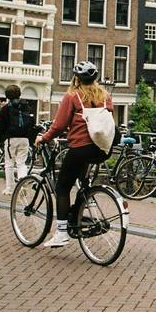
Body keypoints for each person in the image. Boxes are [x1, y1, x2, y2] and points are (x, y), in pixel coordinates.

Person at [35, 61, 113, 247]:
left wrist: (43, 138)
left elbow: (59, 125)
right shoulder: (105, 96)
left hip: (80, 148)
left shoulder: (72, 96)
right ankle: (77, 214)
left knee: (62, 187)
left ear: (76, 78)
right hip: (102, 149)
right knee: (81, 181)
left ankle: (62, 233)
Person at [0, 85, 34, 195]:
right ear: (19, 94)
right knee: (21, 163)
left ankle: (10, 188)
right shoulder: (26, 106)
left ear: (7, 96)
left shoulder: (6, 108)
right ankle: (22, 185)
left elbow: (0, 126)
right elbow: (31, 121)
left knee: (9, 164)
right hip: (25, 138)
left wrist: (3, 136)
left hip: (11, 139)